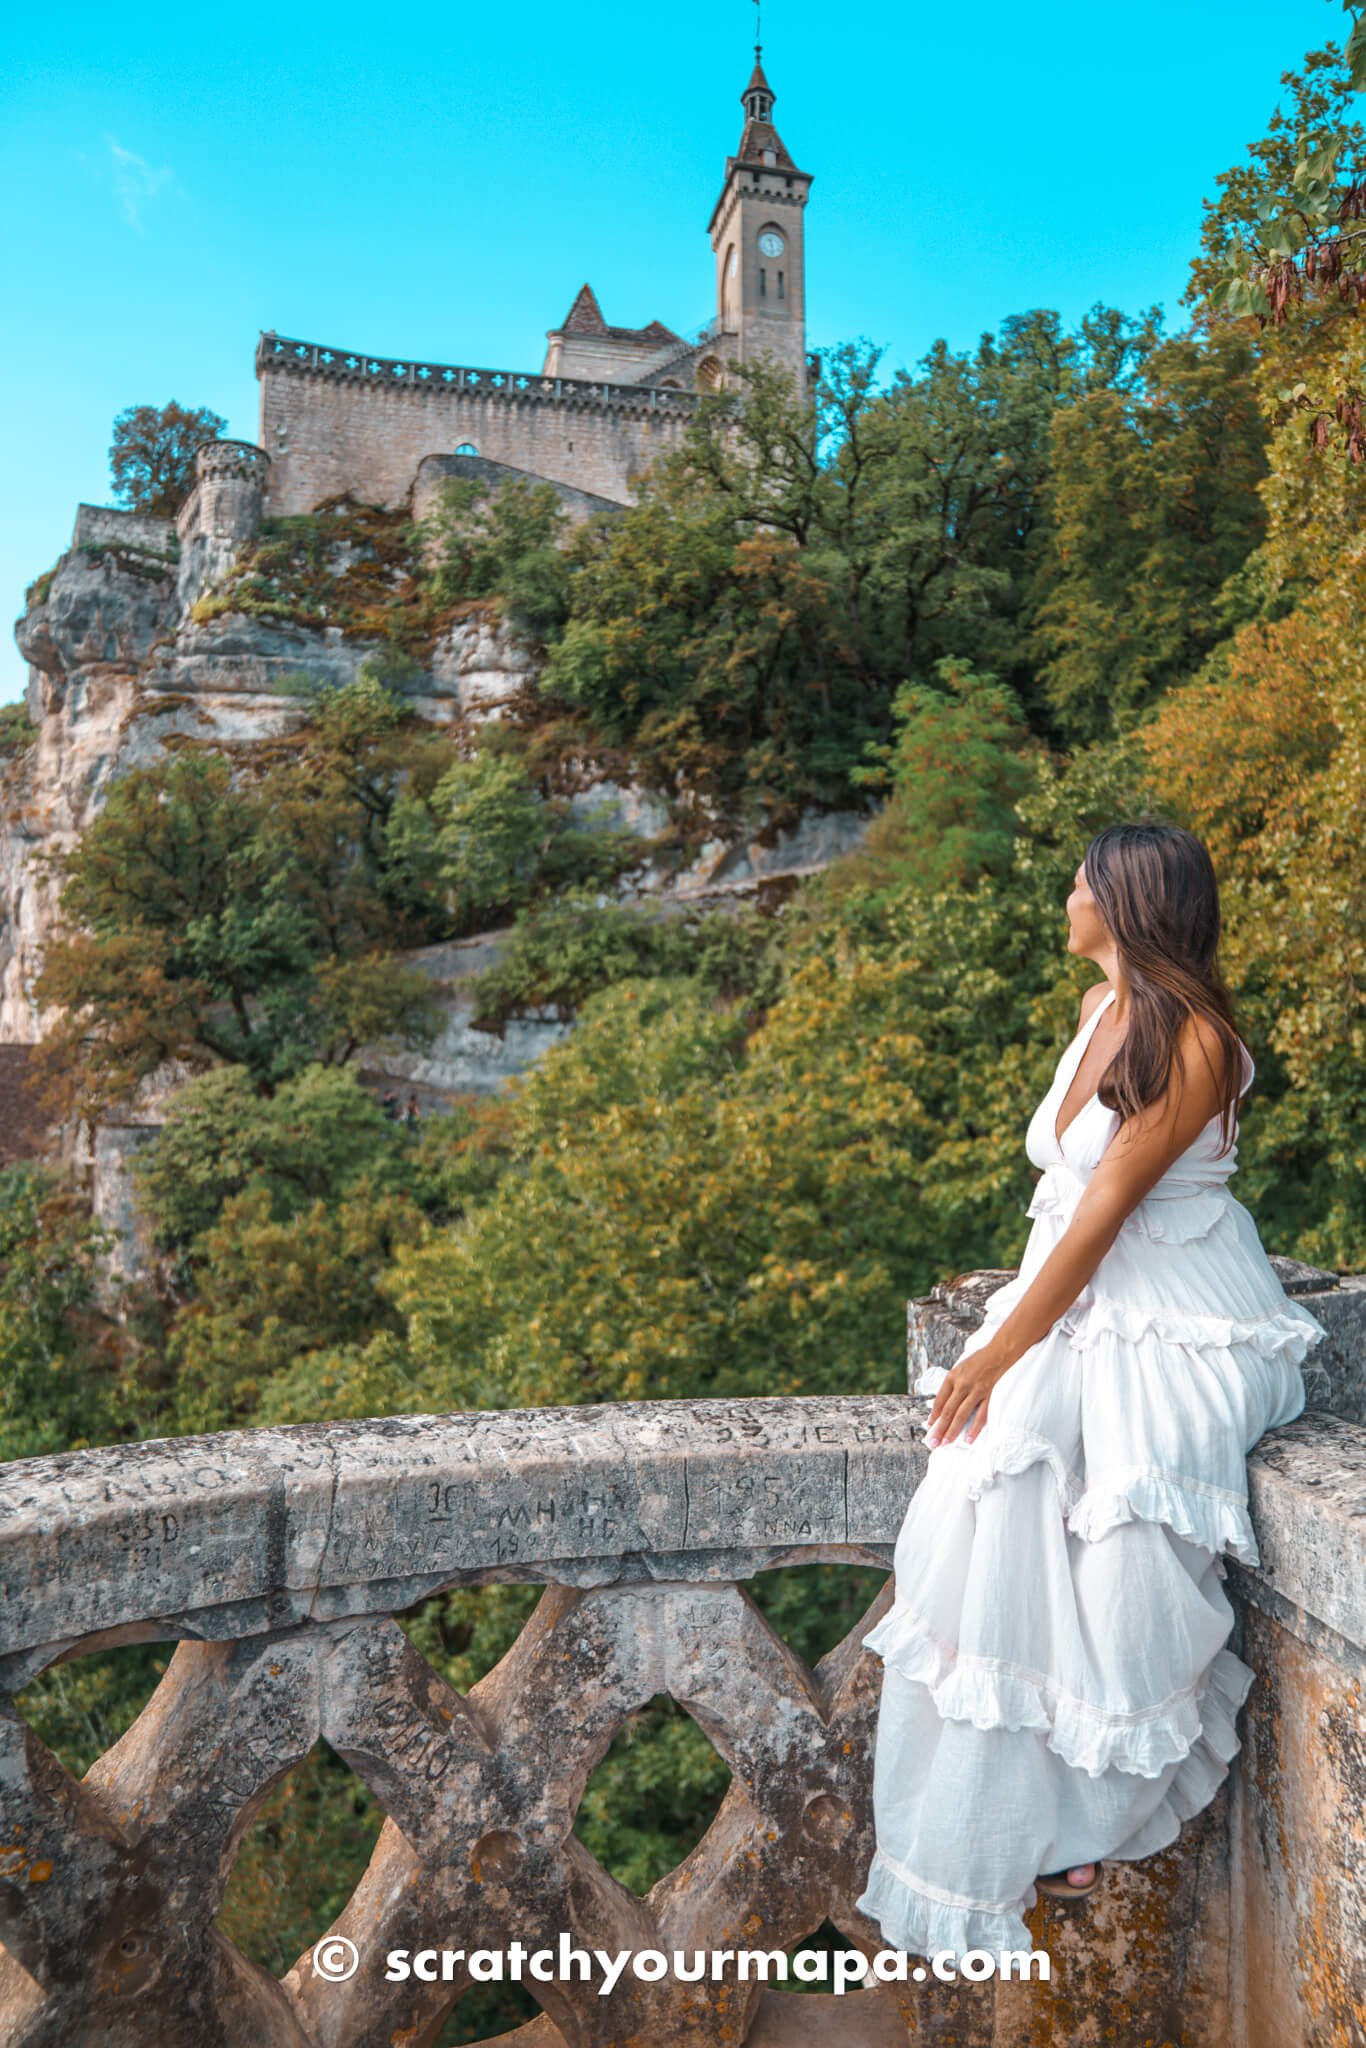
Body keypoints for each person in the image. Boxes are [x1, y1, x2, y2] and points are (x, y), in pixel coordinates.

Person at [855, 821, 1329, 1960]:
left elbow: (1109, 1207)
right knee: (991, 1487)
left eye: (1079, 881)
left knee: (1110, 1509)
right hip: (1075, 1294)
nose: (1064, 894)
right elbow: (1061, 1212)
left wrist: (998, 1347)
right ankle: (1024, 1814)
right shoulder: (1092, 1015)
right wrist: (1014, 1336)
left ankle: (1089, 1804)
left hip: (1177, 1311)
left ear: (1123, 901)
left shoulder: (1200, 1037)